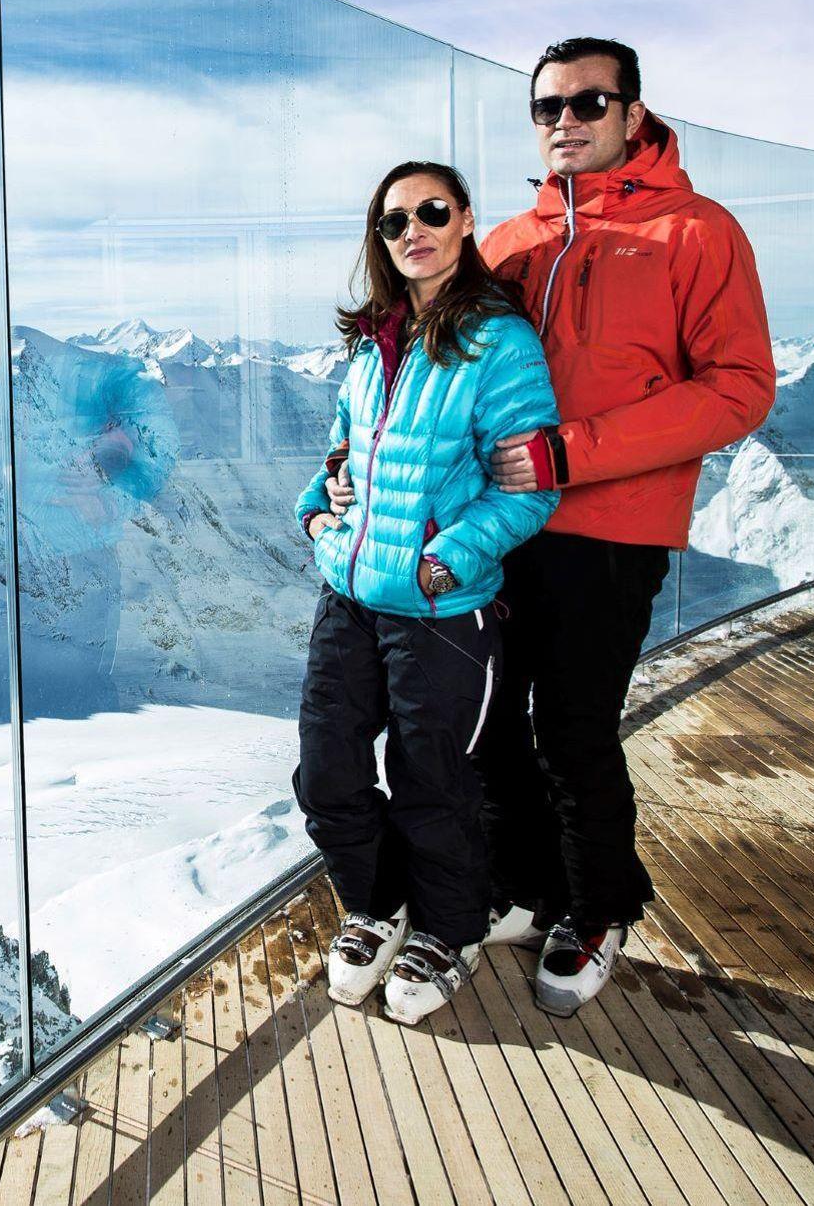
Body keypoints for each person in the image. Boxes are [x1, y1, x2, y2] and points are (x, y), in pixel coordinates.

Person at [475, 36, 773, 1015]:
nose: (564, 121)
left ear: (632, 114)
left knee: (572, 729)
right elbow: (441, 375)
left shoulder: (696, 231)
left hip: (612, 528)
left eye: (587, 102)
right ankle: (531, 884)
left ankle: (598, 905)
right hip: (499, 522)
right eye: (546, 107)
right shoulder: (506, 243)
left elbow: (737, 387)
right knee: (489, 720)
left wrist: (572, 453)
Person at [292, 160, 559, 1025]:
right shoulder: (373, 340)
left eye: (431, 212)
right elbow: (342, 451)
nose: (414, 230)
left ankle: (449, 929)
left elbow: (529, 489)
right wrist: (317, 509)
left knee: (433, 785)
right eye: (394, 220)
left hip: (439, 614)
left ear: (466, 220)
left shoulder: (499, 342)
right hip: (349, 597)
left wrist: (441, 564)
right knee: (327, 772)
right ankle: (377, 904)